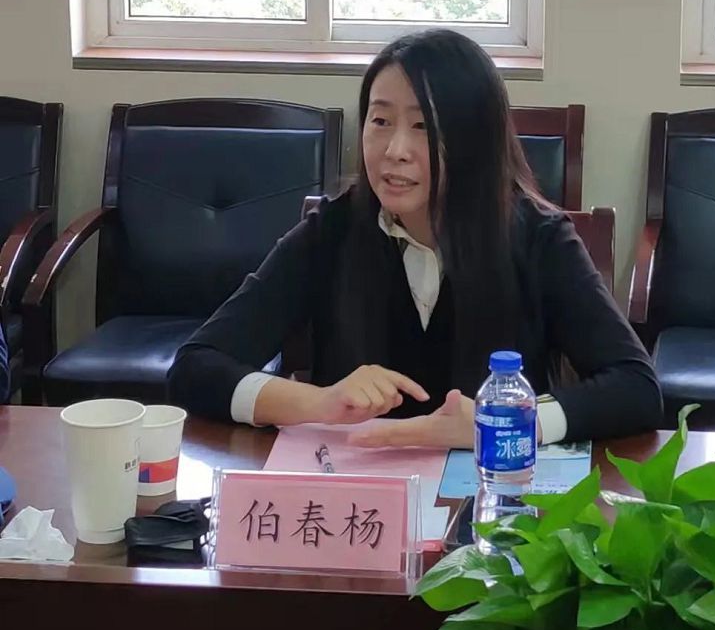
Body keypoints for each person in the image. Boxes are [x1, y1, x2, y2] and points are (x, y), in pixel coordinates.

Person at [168, 29, 662, 448]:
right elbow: (195, 367)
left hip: (492, 497)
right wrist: (319, 402)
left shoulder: (539, 239)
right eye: (380, 121)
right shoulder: (332, 231)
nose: (395, 150)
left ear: (474, 140)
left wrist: (502, 424)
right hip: (361, 501)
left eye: (425, 127)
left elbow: (636, 388)